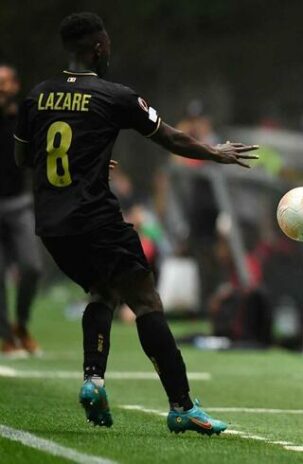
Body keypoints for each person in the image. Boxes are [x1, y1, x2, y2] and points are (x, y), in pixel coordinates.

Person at [13, 12, 258, 434]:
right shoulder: (114, 96)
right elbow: (170, 138)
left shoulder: (35, 97)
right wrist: (216, 153)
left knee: (101, 291)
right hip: (97, 221)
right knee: (146, 301)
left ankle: (93, 380)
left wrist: (82, 162)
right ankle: (182, 405)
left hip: (52, 228)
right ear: (99, 47)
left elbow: (25, 159)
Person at [0, 64, 43, 357]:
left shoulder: (24, 118)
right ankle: (5, 337)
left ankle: (22, 325)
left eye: (5, 82)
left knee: (32, 266)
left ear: (15, 85)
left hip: (18, 202)